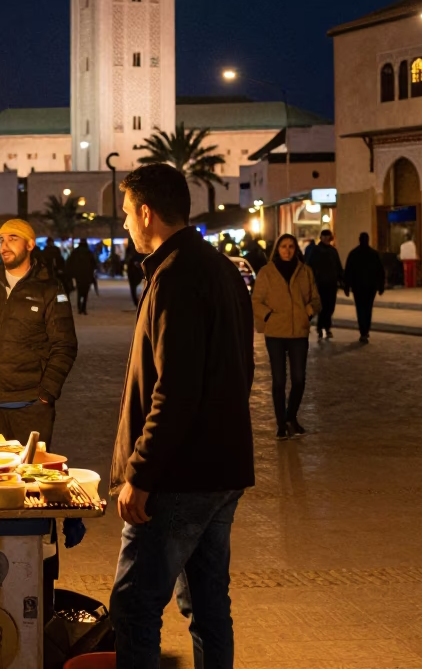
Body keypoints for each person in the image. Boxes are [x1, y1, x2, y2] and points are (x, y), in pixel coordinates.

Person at [109, 164, 254, 668]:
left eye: (127, 213)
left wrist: (141, 473)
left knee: (134, 604)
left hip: (180, 478)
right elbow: (243, 369)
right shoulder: (220, 269)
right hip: (221, 470)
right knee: (209, 605)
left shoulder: (175, 278)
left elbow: (176, 389)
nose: (125, 224)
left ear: (147, 213)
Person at [0, 218, 77, 449]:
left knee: (30, 476)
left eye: (13, 238)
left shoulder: (49, 287)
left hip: (30, 406)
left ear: (30, 245)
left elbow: (64, 345)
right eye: (2, 239)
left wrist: (46, 393)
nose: (5, 245)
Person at [252, 234, 320, 439]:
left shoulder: (305, 271)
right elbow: (256, 300)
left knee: (299, 379)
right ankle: (281, 423)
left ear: (295, 249)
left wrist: (309, 310)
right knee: (279, 380)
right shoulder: (267, 272)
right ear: (278, 249)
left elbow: (315, 298)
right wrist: (268, 316)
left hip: (298, 331)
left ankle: (291, 416)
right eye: (283, 246)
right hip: (276, 333)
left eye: (291, 246)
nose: (287, 250)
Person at [343, 232, 386, 343]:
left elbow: (348, 271)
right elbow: (380, 271)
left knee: (360, 309)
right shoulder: (373, 254)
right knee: (368, 308)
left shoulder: (354, 254)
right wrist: (381, 286)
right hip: (370, 287)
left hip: (358, 287)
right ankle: (365, 330)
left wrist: (346, 286)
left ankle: (363, 331)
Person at [306, 228, 343, 339]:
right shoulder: (316, 250)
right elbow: (309, 266)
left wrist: (342, 280)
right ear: (321, 238)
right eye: (325, 236)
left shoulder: (333, 251)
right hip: (320, 284)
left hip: (331, 284)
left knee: (330, 307)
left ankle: (324, 326)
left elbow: (338, 266)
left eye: (328, 236)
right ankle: (323, 328)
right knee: (322, 307)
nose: (327, 238)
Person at [67, 240, 97, 315]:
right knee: (85, 292)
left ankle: (79, 307)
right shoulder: (89, 252)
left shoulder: (75, 252)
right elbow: (94, 264)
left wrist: (71, 273)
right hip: (87, 275)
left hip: (78, 275)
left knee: (79, 292)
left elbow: (69, 263)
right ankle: (83, 307)